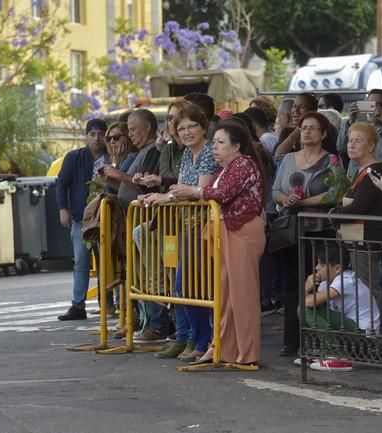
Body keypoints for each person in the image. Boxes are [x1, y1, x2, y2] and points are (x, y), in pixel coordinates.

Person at [170, 121, 267, 365]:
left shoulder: (243, 164)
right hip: (226, 230)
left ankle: (247, 353)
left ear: (237, 146)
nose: (214, 147)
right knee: (225, 295)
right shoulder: (224, 169)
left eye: (220, 142)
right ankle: (225, 349)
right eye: (214, 142)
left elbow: (223, 193)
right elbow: (212, 191)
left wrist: (194, 192)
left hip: (242, 231)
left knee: (242, 296)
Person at [141, 104, 218, 360]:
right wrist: (169, 194)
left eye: (192, 126)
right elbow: (182, 187)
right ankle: (190, 338)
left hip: (205, 226)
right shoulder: (186, 154)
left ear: (203, 126)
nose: (186, 132)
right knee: (184, 286)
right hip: (185, 225)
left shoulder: (209, 151)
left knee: (194, 285)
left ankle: (202, 340)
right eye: (181, 128)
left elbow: (199, 190)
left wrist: (171, 194)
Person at [272, 111, 345, 357]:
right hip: (292, 230)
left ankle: (318, 338)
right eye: (303, 128)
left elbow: (336, 192)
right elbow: (276, 191)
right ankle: (291, 340)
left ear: (323, 133)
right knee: (293, 283)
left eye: (313, 128)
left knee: (319, 281)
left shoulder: (332, 160)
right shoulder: (289, 159)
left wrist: (305, 201)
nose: (307, 132)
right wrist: (288, 200)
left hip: (320, 229)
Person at [331, 122, 382, 329]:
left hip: (367, 240)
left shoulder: (374, 172)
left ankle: (377, 331)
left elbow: (358, 207)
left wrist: (334, 214)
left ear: (371, 146)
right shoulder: (363, 171)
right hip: (357, 239)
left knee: (369, 287)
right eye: (350, 140)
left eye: (358, 140)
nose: (351, 145)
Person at [57, 118, 108, 321]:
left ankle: (109, 304)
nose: (97, 138)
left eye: (101, 134)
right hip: (81, 218)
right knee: (81, 262)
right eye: (92, 134)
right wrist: (63, 209)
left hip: (108, 218)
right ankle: (78, 305)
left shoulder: (111, 156)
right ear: (87, 136)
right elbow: (62, 183)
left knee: (108, 263)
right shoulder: (74, 157)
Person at [302, 243, 380, 371]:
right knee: (306, 309)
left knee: (307, 309)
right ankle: (320, 352)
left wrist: (306, 288)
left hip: (364, 339)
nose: (317, 268)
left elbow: (309, 303)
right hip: (349, 334)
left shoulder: (346, 280)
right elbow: (307, 302)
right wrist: (307, 289)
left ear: (337, 268)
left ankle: (337, 356)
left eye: (321, 264)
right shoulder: (326, 283)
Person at [103, 109, 161, 211]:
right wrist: (112, 181)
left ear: (147, 127)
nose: (129, 134)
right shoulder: (144, 151)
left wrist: (117, 174)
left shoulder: (153, 150)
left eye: (132, 129)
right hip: (131, 217)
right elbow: (132, 187)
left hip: (142, 218)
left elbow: (146, 186)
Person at [337, 89, 382, 180]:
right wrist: (350, 121)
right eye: (371, 104)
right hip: (355, 180)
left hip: (381, 182)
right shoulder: (359, 127)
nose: (375, 108)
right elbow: (340, 148)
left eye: (380, 105)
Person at [274, 93, 318, 158]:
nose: (295, 110)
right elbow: (278, 154)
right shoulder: (287, 132)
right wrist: (297, 130)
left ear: (313, 112)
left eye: (302, 107)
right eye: (294, 106)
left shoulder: (320, 133)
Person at [97, 122, 136, 194]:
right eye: (109, 139)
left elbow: (123, 189)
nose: (112, 142)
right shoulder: (117, 158)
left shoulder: (131, 157)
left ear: (128, 136)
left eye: (116, 138)